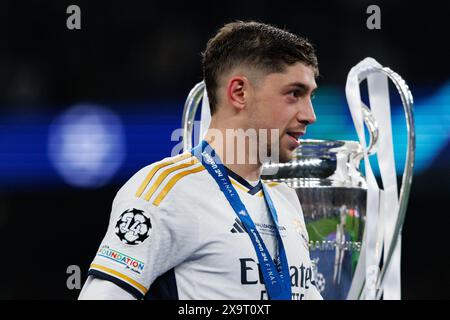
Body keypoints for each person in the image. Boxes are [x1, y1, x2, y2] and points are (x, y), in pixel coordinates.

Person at [79, 20, 322, 300]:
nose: (309, 114)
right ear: (239, 92)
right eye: (294, 93)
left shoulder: (286, 200)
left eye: (310, 95)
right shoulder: (166, 190)